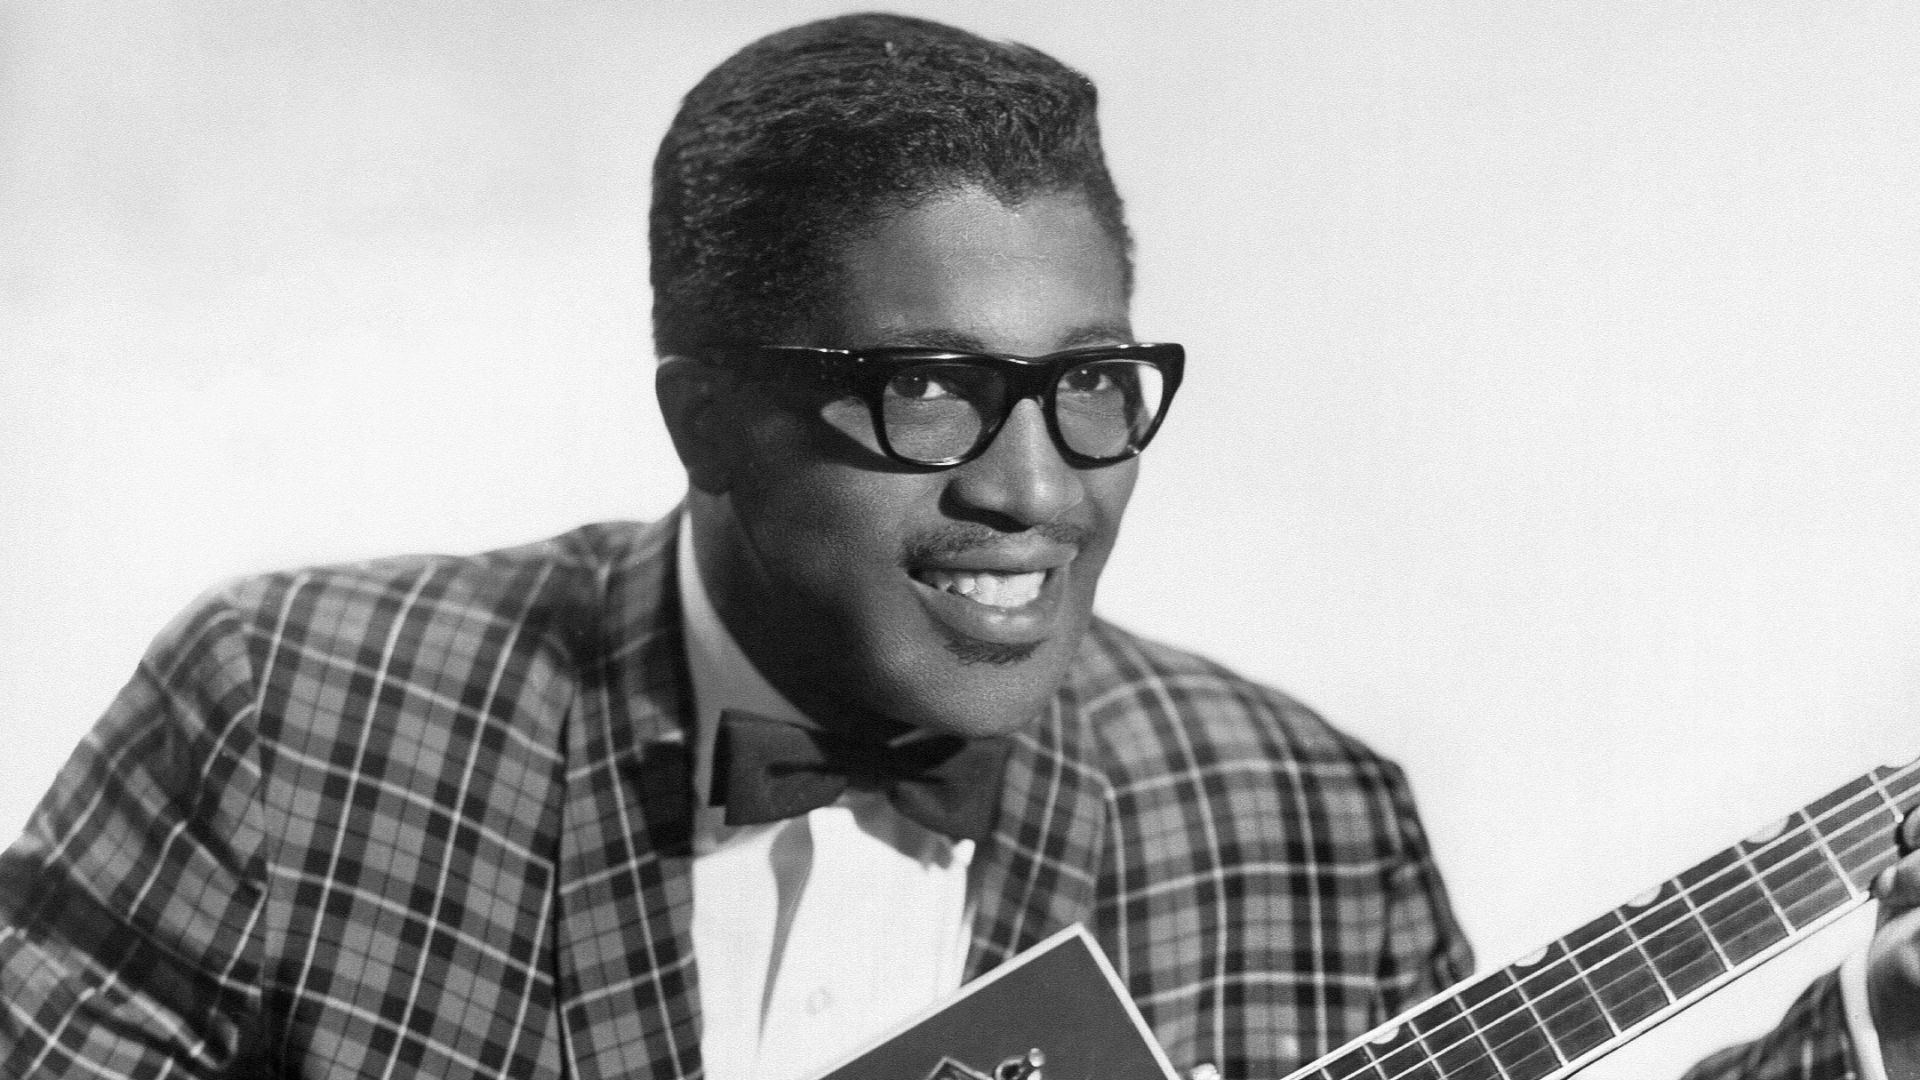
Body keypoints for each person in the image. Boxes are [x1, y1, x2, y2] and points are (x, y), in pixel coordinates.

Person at [1, 12, 1915, 1080]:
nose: (1034, 490)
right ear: (704, 418)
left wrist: (1875, 1032)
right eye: (926, 393)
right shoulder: (295, 714)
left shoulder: (1302, 824)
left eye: (1091, 387)